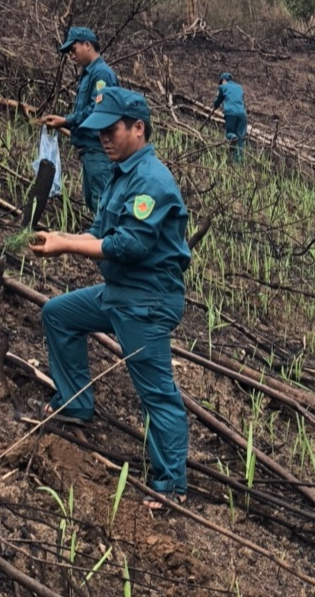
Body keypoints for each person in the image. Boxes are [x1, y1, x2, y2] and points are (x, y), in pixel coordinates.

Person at [31, 88, 191, 509]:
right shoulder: (121, 173)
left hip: (146, 300)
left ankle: (170, 484)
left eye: (112, 130)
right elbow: (100, 234)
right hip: (119, 292)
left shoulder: (151, 180)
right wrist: (60, 238)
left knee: (156, 391)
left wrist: (65, 247)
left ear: (138, 128)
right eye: (98, 131)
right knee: (58, 314)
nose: (103, 138)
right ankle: (75, 403)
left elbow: (128, 246)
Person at [41, 26, 118, 214]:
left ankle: (104, 242)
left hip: (99, 149)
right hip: (88, 150)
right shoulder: (88, 74)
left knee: (103, 205)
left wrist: (66, 121)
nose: (72, 56)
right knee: (93, 202)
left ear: (87, 45)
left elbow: (97, 109)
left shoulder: (102, 74)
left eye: (73, 50)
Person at [212, 72, 247, 163]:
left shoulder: (222, 87)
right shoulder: (240, 87)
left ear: (224, 80)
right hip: (242, 114)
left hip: (231, 113)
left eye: (221, 82)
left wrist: (215, 105)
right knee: (241, 139)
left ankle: (233, 137)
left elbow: (218, 100)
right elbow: (243, 101)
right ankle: (238, 161)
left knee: (230, 133)